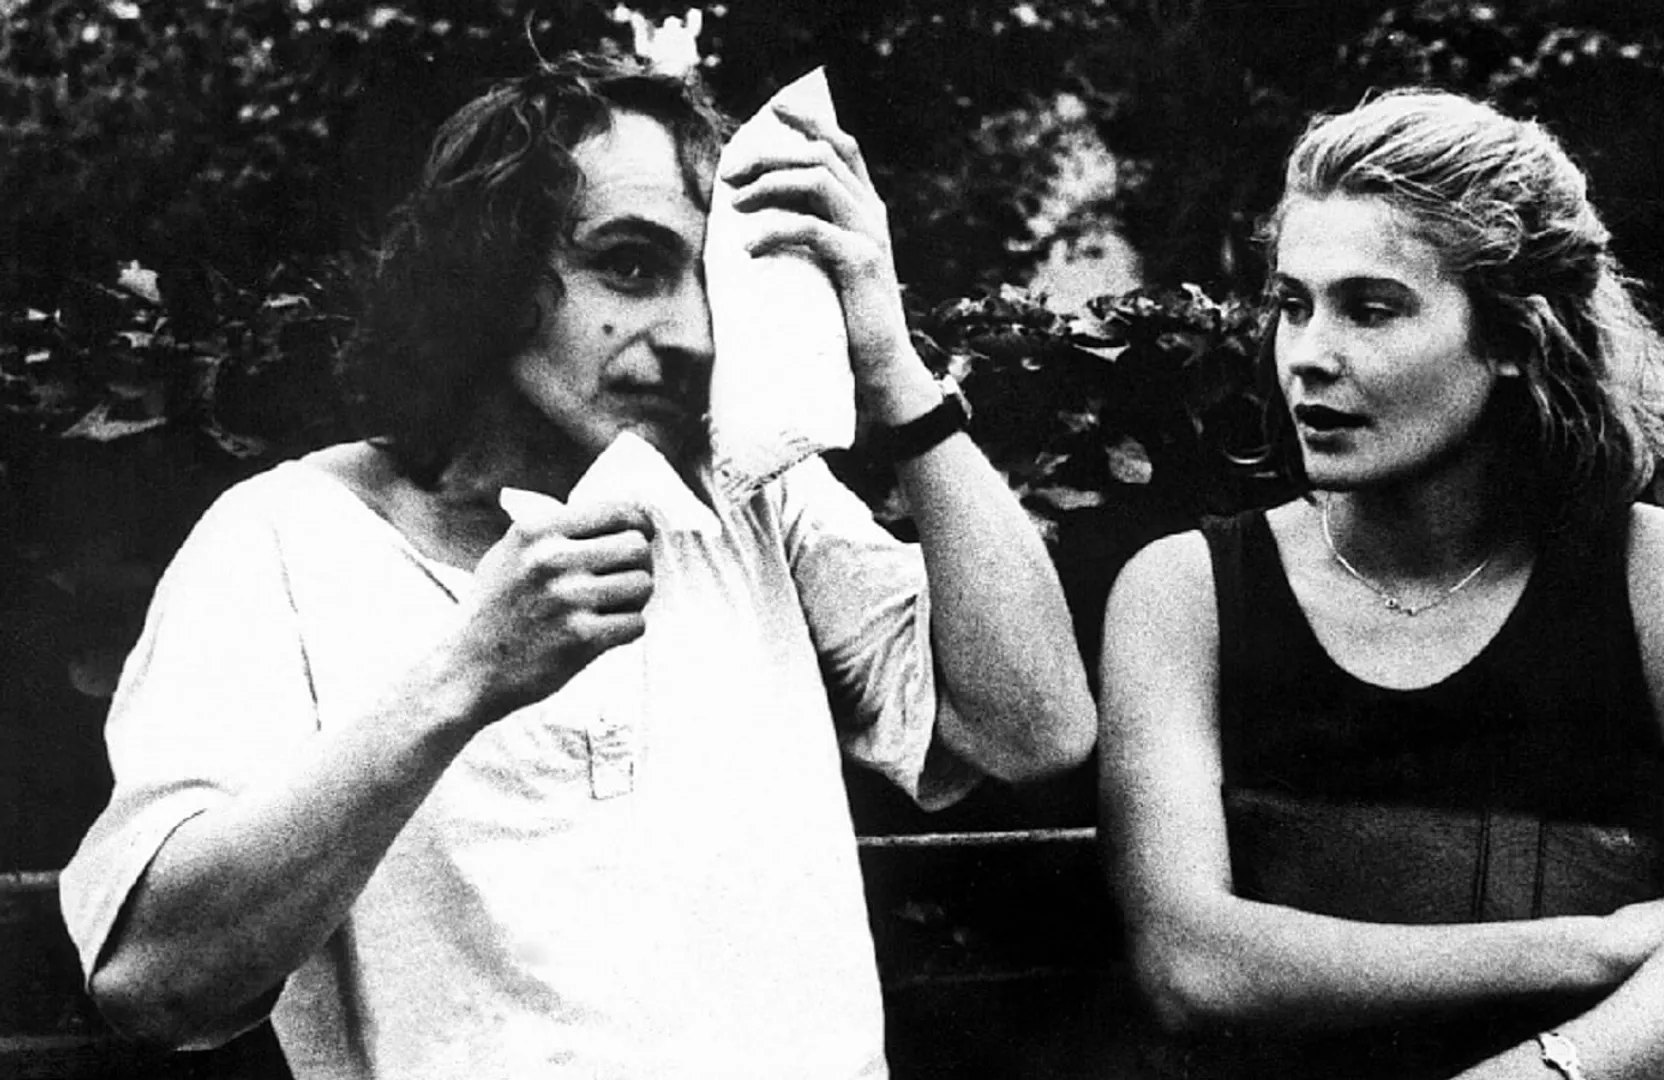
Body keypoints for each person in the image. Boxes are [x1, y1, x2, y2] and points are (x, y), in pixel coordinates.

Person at [61, 50, 1095, 1079]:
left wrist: (893, 368)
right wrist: (465, 676)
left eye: (715, 279)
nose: (694, 335)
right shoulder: (285, 537)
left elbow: (1037, 728)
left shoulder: (752, 496)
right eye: (632, 266)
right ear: (485, 270)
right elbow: (156, 979)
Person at [1098, 89, 1664, 1079]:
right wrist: (1589, 947)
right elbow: (1193, 962)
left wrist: (1543, 1072)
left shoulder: (1650, 572)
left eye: (1371, 309)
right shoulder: (1187, 592)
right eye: (1292, 304)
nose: (1309, 356)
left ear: (1510, 337)